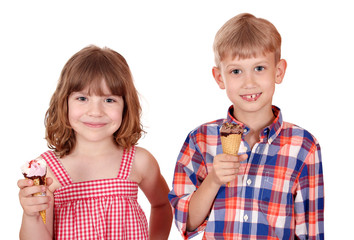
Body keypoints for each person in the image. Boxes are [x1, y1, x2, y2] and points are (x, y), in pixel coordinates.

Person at [168, 13, 324, 240]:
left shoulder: (304, 146)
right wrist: (213, 180)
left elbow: (310, 231)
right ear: (219, 77)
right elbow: (186, 223)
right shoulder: (200, 139)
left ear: (278, 71)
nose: (249, 82)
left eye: (259, 68)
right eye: (236, 71)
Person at [18, 45, 173, 240]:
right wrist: (31, 215)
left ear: (126, 106)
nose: (95, 112)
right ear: (63, 103)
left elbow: (163, 204)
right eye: (82, 98)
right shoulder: (46, 170)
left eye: (109, 100)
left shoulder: (140, 161)